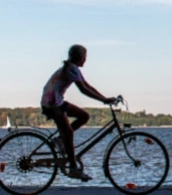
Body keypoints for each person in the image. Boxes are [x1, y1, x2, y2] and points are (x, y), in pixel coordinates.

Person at [40, 45, 116, 181]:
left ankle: (59, 139)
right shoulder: (71, 68)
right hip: (52, 103)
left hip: (55, 101)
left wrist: (104, 99)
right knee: (68, 133)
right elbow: (83, 90)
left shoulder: (72, 68)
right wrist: (103, 100)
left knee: (84, 116)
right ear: (79, 57)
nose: (86, 59)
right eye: (85, 56)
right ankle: (73, 168)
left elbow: (87, 86)